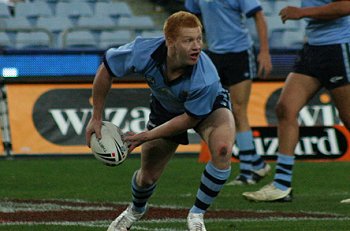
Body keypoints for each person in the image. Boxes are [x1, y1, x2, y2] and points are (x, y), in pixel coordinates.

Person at [85, 11, 236, 231]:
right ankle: (136, 209)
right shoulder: (142, 51)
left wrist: (146, 135)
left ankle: (197, 214)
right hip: (165, 109)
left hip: (209, 109)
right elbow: (107, 68)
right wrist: (96, 117)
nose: (197, 46)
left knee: (223, 149)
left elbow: (190, 118)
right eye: (188, 40)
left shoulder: (207, 78)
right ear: (170, 42)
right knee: (146, 178)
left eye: (199, 39)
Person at [242, 0, 350, 202]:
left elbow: (346, 6)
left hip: (338, 47)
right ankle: (281, 185)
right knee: (285, 109)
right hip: (313, 48)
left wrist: (302, 12)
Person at [185, 0, 272, 185]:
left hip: (239, 53)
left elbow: (259, 15)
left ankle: (248, 172)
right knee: (218, 112)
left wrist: (264, 51)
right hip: (215, 55)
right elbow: (192, 18)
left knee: (239, 110)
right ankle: (256, 162)